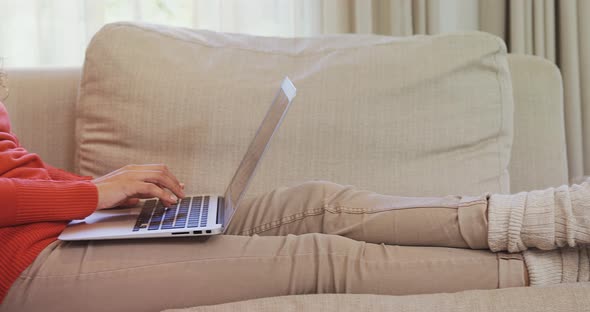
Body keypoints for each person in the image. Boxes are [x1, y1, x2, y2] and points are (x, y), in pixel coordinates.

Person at [0, 74, 588, 312]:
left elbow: (15, 169)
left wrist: (100, 192)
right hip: (24, 266)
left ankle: (552, 217)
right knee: (316, 256)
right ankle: (555, 274)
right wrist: (92, 197)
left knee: (316, 202)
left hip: (65, 224)